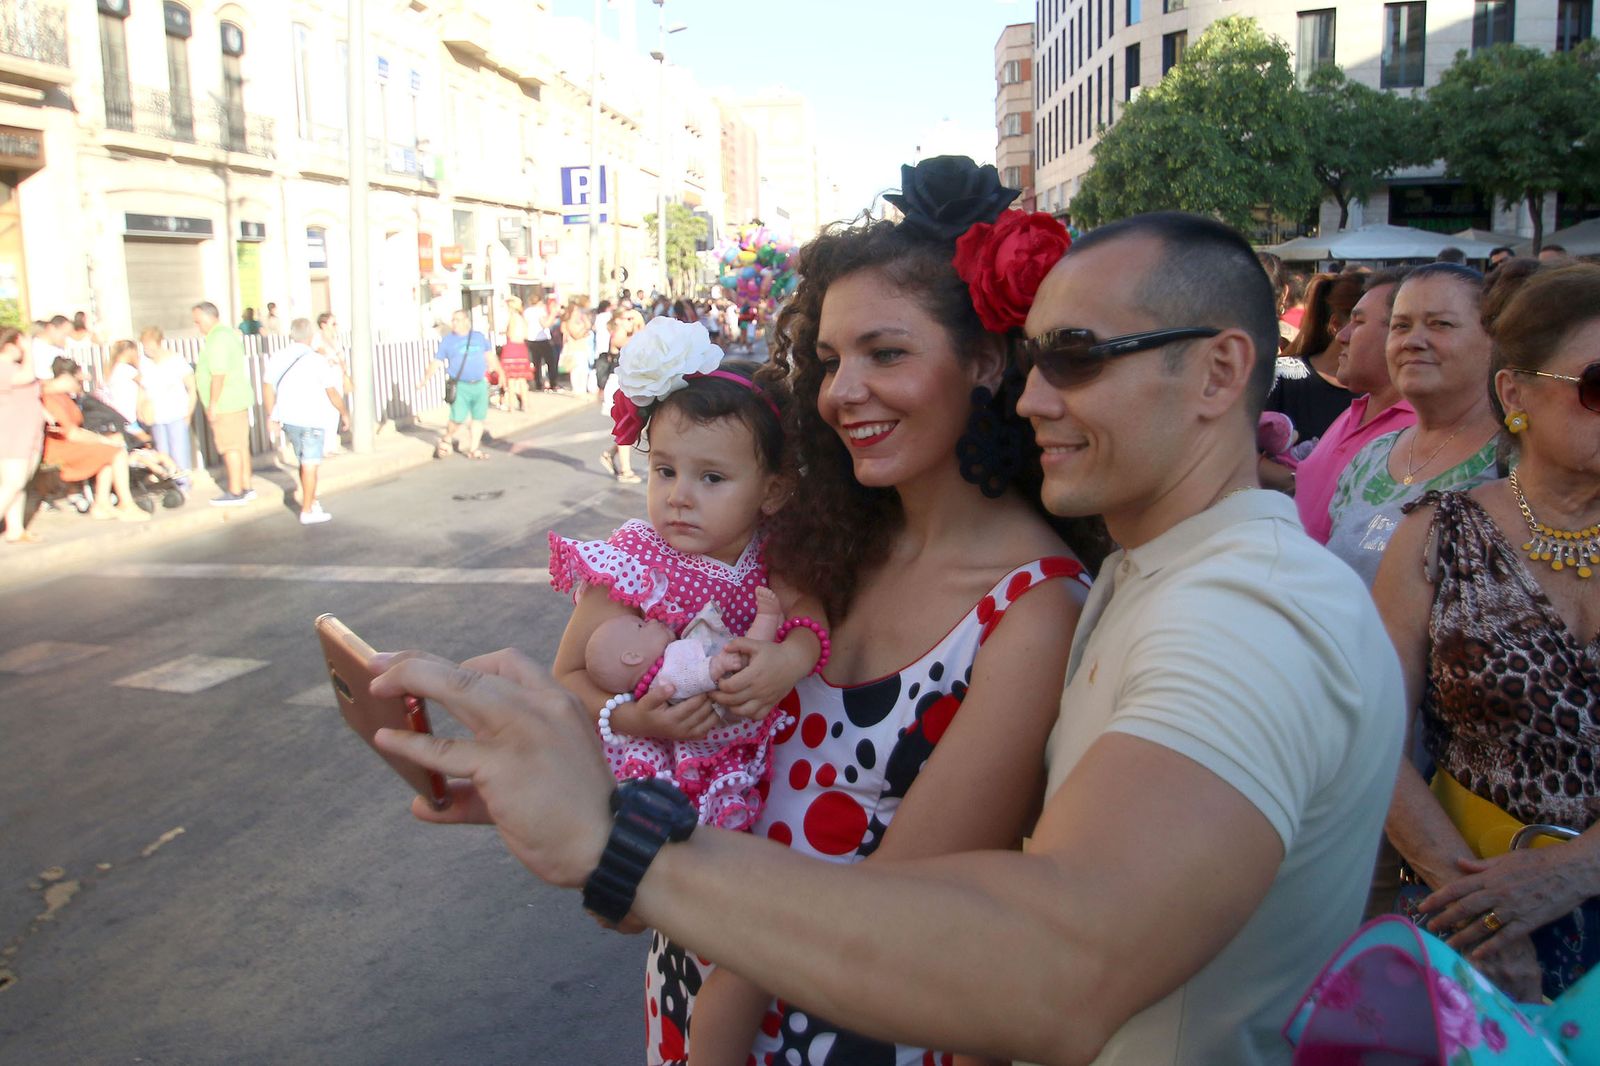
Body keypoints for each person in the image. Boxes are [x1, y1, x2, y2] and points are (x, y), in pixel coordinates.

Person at [369, 206, 1404, 1066]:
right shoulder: (858, 558)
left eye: (1076, 358)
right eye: (827, 358)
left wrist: (613, 841)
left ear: (1221, 374)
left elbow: (1058, 952)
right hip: (719, 975)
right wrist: (580, 766)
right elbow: (694, 761)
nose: (1039, 393)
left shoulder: (1230, 610)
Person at [549, 333, 837, 1065]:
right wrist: (631, 715)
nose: (679, 494)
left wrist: (785, 660)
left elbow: (809, 620)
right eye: (665, 469)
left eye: (712, 478)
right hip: (660, 784)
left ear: (770, 489)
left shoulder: (775, 555)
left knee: (754, 947)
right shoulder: (634, 562)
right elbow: (567, 679)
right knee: (689, 935)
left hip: (758, 789)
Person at [1374, 263, 1600, 1002]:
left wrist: (1575, 870)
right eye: (1596, 387)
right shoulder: (1434, 538)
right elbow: (1367, 733)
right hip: (1471, 924)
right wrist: (1473, 908)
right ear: (1515, 393)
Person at [1325, 264, 1502, 586]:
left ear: (1492, 339)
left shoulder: (1515, 464)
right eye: (1401, 326)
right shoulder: (1372, 455)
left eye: (1440, 324)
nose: (1413, 341)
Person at [1293, 270, 1417, 543]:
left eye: (1358, 322)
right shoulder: (1351, 413)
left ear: (1399, 334)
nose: (1342, 335)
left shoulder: (1419, 436)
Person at [40, 356, 148, 523]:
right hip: (60, 449)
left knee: (109, 453)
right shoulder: (51, 398)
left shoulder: (63, 396)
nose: (79, 385)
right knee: (115, 452)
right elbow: (72, 433)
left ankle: (102, 503)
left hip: (69, 443)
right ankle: (125, 502)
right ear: (65, 378)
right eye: (76, 380)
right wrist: (102, 440)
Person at [264, 318, 350, 524]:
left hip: (288, 418)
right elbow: (332, 392)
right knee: (310, 463)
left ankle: (310, 500)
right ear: (311, 336)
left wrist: (271, 415)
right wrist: (344, 412)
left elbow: (267, 387)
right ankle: (307, 510)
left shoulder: (278, 357)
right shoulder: (316, 359)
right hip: (312, 418)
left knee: (304, 460)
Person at [1265, 271, 1360, 445]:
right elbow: (1243, 453)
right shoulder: (1280, 378)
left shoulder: (1385, 394)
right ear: (1336, 325)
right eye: (1362, 322)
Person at [192, 301, 255, 506]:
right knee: (240, 445)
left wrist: (212, 404)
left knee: (230, 448)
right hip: (236, 399)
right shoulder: (227, 335)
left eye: (198, 321)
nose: (197, 326)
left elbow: (218, 374)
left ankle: (235, 491)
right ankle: (245, 486)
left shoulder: (217, 339)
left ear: (210, 317)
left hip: (225, 403)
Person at [420, 309, 498, 460]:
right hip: (461, 385)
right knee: (457, 418)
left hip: (479, 383)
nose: (454, 323)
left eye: (458, 320)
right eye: (453, 320)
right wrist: (425, 379)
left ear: (466, 321)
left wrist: (499, 373)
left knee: (478, 418)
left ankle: (474, 449)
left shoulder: (478, 337)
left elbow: (489, 355)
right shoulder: (448, 341)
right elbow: (437, 361)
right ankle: (447, 437)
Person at [139, 326, 196, 495]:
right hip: (156, 414)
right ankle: (169, 483)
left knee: (178, 450)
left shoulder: (176, 360)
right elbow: (142, 389)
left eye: (151, 346)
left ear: (159, 343)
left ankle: (182, 483)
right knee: (162, 451)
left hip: (176, 411)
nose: (148, 350)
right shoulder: (145, 363)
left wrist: (189, 412)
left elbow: (191, 387)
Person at [0, 327, 44, 543]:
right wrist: (29, 352)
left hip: (27, 434)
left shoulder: (14, 366)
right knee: (13, 482)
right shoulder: (3, 366)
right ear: (9, 345)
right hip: (12, 435)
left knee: (19, 483)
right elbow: (26, 377)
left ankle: (15, 529)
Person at [600, 300, 645, 483]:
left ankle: (610, 454)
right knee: (627, 423)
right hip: (619, 381)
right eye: (626, 317)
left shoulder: (631, 332)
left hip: (629, 381)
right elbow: (629, 346)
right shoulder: (619, 332)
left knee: (635, 424)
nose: (629, 320)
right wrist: (637, 327)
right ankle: (625, 470)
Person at [313, 312, 352, 454]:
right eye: (333, 323)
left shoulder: (334, 339)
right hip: (326, 376)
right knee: (326, 409)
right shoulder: (318, 338)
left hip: (337, 375)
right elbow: (317, 352)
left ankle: (331, 444)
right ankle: (324, 446)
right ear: (323, 325)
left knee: (335, 410)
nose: (336, 326)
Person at [498, 296, 534, 412]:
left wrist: (504, 332)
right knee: (522, 379)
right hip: (521, 348)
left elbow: (510, 334)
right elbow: (525, 334)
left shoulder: (512, 318)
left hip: (512, 348)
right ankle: (526, 404)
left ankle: (511, 406)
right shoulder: (523, 319)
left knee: (511, 379)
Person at [562, 296, 597, 395]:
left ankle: (582, 388)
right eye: (576, 311)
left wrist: (585, 322)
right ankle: (577, 389)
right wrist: (584, 330)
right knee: (576, 370)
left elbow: (587, 329)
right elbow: (576, 335)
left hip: (582, 348)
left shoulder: (579, 321)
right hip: (574, 348)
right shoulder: (570, 322)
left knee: (584, 369)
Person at [530, 295, 557, 392]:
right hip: (542, 339)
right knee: (550, 362)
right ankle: (552, 383)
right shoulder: (540, 311)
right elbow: (545, 324)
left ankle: (538, 383)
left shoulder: (527, 311)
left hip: (531, 339)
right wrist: (553, 315)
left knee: (536, 363)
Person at [30, 316, 66, 380]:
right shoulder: (38, 350)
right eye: (65, 334)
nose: (66, 339)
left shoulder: (57, 349)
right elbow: (44, 380)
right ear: (51, 328)